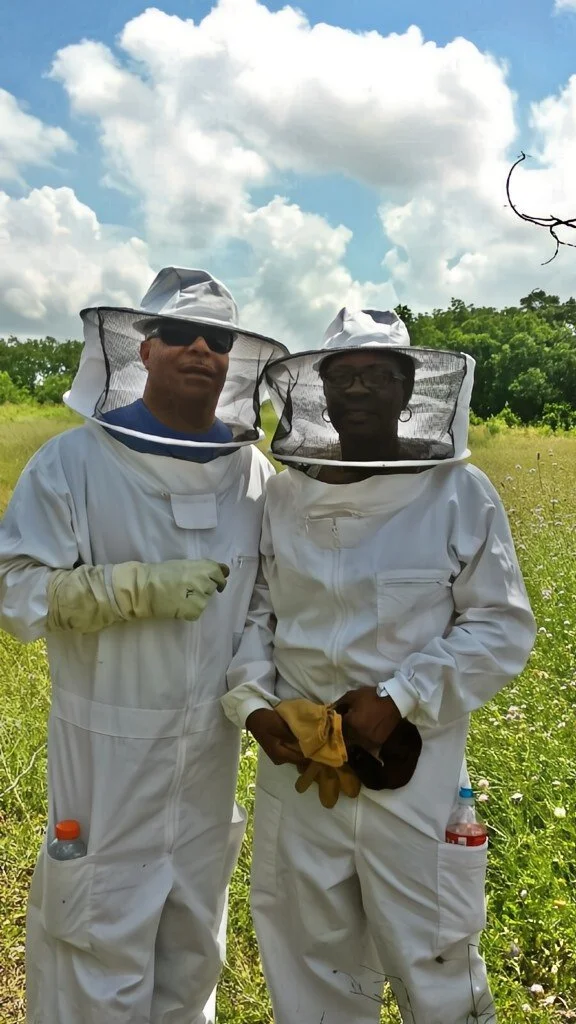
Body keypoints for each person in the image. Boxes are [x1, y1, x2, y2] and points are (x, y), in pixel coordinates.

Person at [222, 308, 536, 1024]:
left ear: (409, 389)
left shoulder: (460, 493)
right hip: (301, 775)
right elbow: (258, 612)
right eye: (344, 376)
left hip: (414, 779)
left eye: (378, 376)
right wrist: (255, 707)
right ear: (321, 393)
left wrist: (400, 696)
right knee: (309, 964)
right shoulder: (283, 494)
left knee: (437, 961)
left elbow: (502, 626)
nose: (358, 390)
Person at [0, 267, 286, 1024]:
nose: (201, 349)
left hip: (209, 764)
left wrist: (254, 694)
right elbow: (14, 589)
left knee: (194, 950)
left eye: (218, 339)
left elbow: (263, 608)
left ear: (234, 360)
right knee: (93, 949)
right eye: (182, 335)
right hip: (105, 761)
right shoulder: (74, 463)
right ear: (143, 347)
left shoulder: (254, 474)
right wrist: (125, 590)